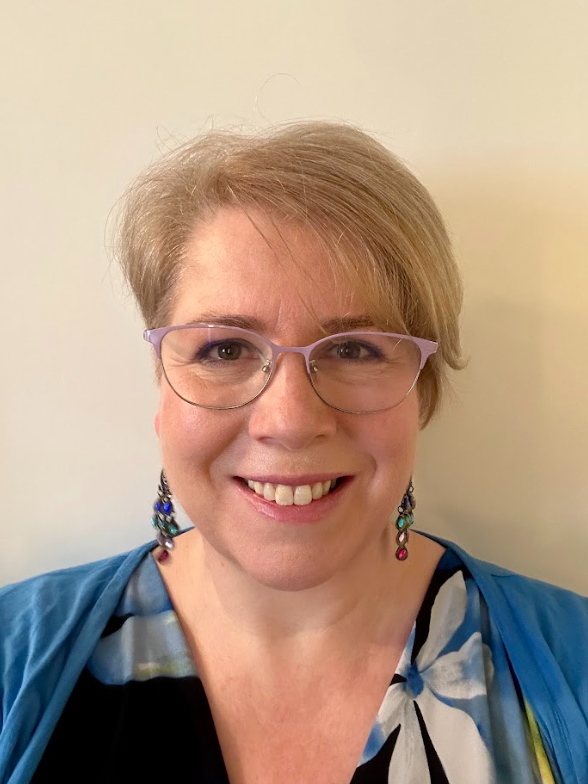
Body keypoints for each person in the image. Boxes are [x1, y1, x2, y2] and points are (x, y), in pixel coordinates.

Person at [1, 122, 587, 784]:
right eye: (224, 349)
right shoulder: (12, 661)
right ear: (162, 387)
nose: (289, 421)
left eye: (354, 348)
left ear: (422, 395)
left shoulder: (573, 664)